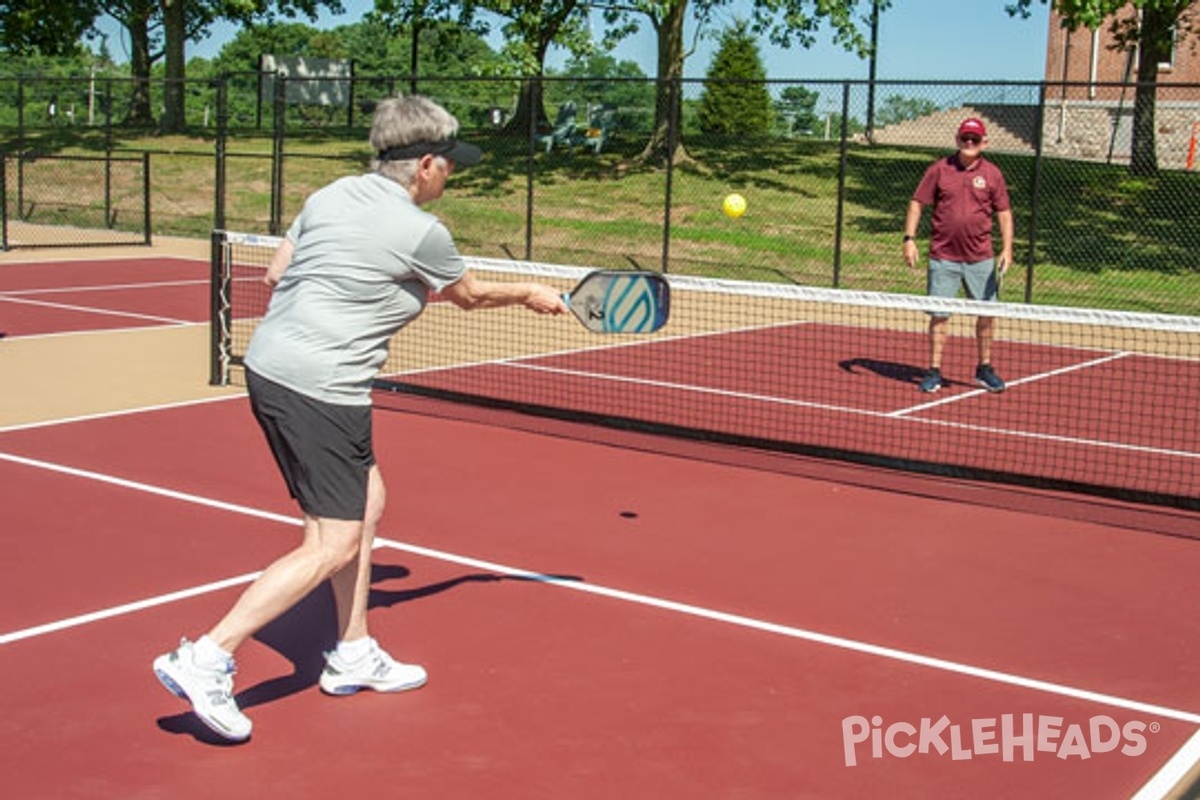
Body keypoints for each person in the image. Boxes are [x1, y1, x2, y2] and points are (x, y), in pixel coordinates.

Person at [153, 95, 566, 742]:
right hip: (321, 388)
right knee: (334, 541)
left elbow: (276, 269)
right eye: (449, 164)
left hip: (272, 367)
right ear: (424, 164)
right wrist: (530, 292)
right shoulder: (421, 232)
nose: (451, 174)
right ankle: (206, 657)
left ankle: (352, 651)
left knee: (367, 501)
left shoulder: (331, 194)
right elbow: (470, 297)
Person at [903, 117, 1013, 394]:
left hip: (981, 258)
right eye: (965, 138)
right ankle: (934, 370)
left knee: (986, 314)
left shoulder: (993, 174)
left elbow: (1004, 213)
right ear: (957, 140)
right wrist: (909, 239)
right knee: (940, 315)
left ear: (984, 142)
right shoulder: (939, 170)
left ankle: (984, 368)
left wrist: (1007, 248)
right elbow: (917, 203)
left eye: (975, 139)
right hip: (943, 257)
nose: (969, 143)